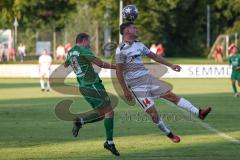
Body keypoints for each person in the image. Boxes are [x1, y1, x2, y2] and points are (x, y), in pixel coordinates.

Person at [115, 22, 212, 143]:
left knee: (171, 95)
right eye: (133, 28)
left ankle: (198, 112)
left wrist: (171, 65)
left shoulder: (138, 44)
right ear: (127, 31)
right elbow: (118, 72)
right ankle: (169, 134)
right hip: (136, 85)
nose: (136, 29)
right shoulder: (121, 50)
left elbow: (155, 56)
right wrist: (125, 90)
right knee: (153, 113)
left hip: (147, 78)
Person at [64, 33, 120, 156]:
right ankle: (109, 143)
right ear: (83, 41)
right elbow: (100, 64)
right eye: (89, 41)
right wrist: (117, 67)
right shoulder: (83, 50)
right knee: (109, 112)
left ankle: (80, 122)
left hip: (83, 87)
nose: (89, 44)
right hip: (92, 85)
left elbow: (66, 64)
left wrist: (80, 66)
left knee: (101, 114)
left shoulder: (71, 51)